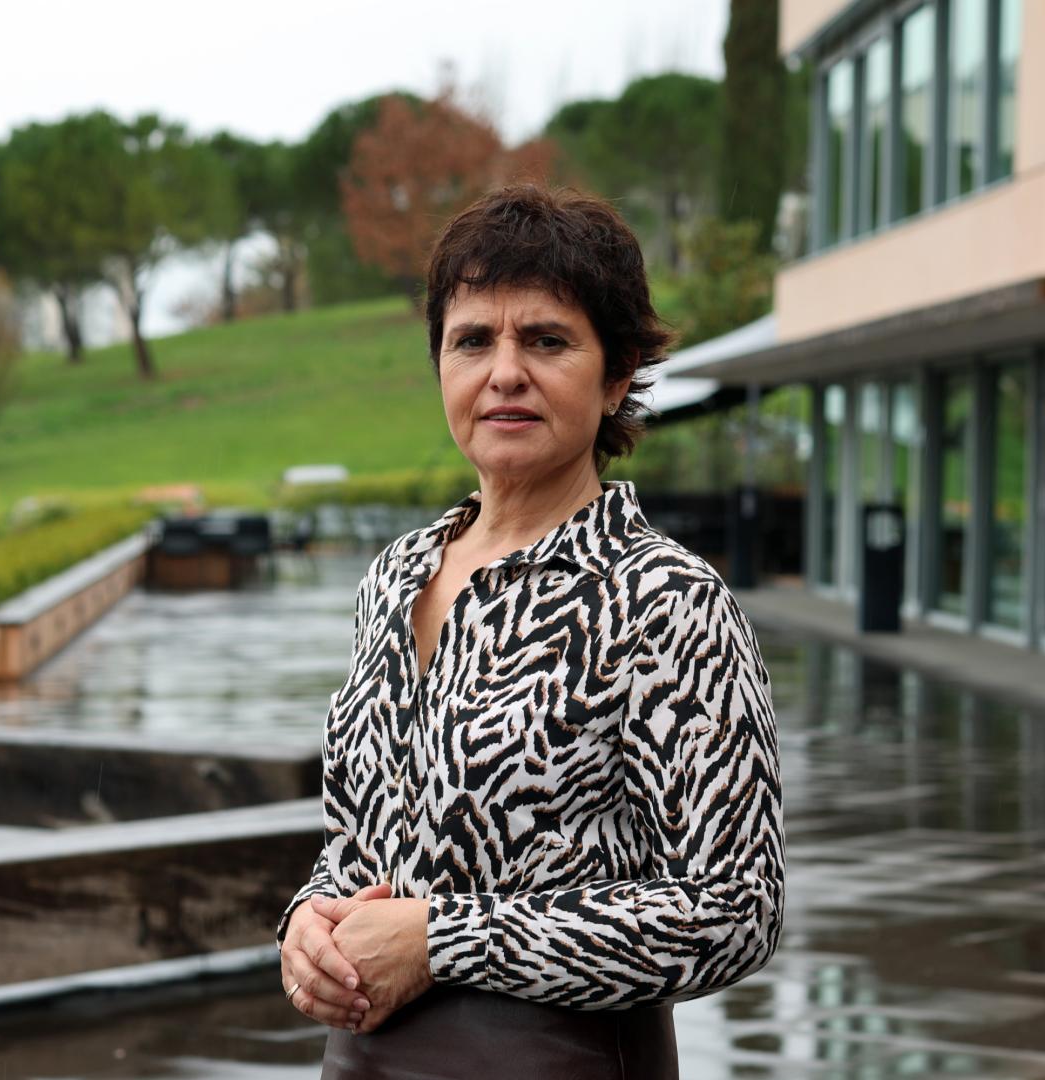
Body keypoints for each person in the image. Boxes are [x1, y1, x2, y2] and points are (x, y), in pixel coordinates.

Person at [276, 184, 784, 1079]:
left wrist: (444, 942)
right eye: (473, 340)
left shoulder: (663, 600)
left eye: (546, 341)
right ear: (441, 364)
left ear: (617, 373)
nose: (504, 372)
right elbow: (362, 837)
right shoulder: (394, 578)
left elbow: (734, 911)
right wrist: (310, 922)